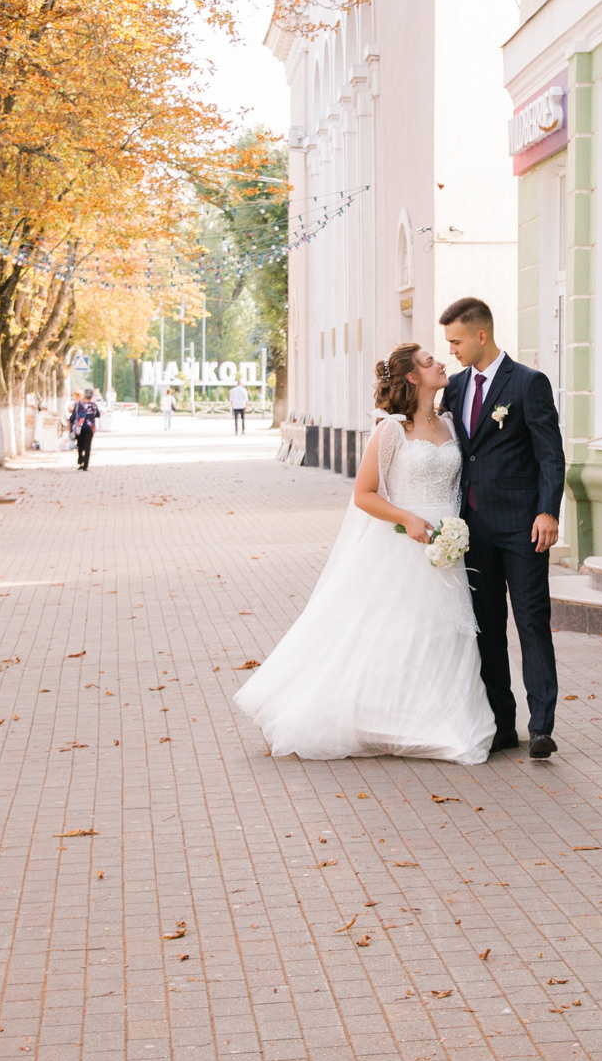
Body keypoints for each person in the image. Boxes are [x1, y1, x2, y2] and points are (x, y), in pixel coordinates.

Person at [236, 341, 491, 764]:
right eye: (430, 361)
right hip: (402, 544)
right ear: (412, 377)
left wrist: (454, 533)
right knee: (395, 630)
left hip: (447, 546)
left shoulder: (450, 424)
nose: (440, 362)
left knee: (443, 632)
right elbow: (364, 494)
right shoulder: (392, 430)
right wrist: (408, 519)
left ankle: (445, 721)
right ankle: (383, 719)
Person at [439, 295, 566, 760]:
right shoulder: (453, 388)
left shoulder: (529, 383)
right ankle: (501, 725)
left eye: (455, 340)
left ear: (481, 335)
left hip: (523, 528)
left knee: (532, 622)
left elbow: (550, 453)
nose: (451, 349)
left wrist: (548, 510)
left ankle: (542, 727)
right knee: (486, 628)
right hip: (472, 530)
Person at [69, 389, 100, 471]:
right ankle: (85, 465)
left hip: (79, 427)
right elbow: (98, 414)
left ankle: (80, 460)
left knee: (80, 445)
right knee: (87, 446)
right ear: (91, 396)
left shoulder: (78, 404)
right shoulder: (94, 405)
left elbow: (73, 416)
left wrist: (70, 424)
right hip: (90, 428)